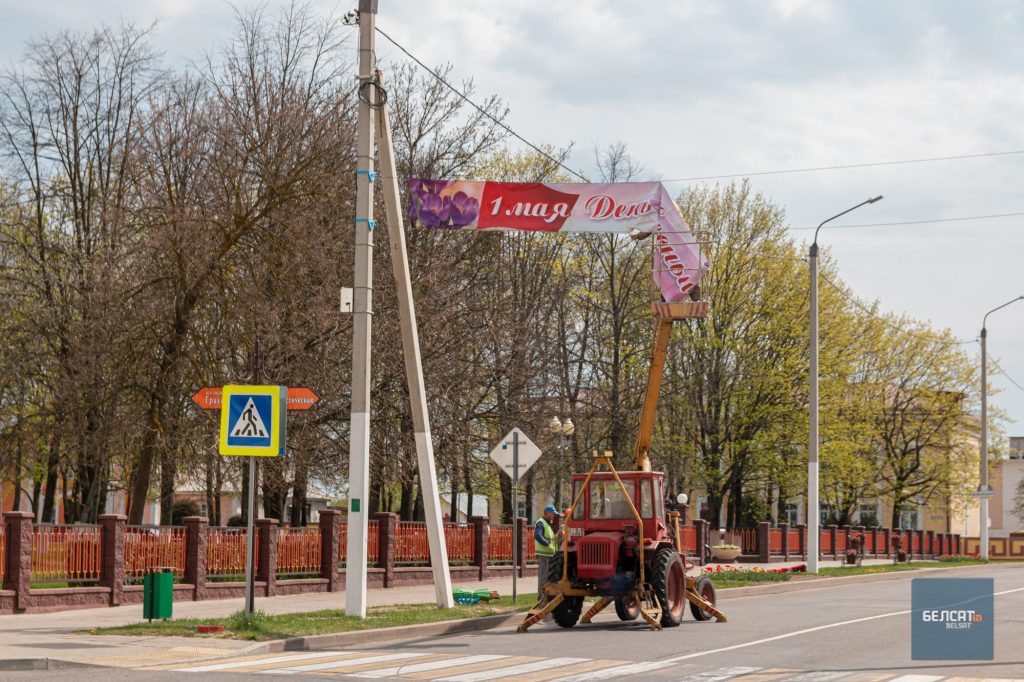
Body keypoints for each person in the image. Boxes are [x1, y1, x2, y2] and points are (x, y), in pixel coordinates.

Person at [534, 504, 560, 595]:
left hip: (549, 554)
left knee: (548, 578)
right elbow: (537, 535)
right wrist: (547, 544)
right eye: (553, 513)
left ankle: (546, 597)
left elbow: (551, 539)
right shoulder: (540, 522)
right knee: (543, 577)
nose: (554, 516)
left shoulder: (548, 524)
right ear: (548, 513)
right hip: (544, 554)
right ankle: (541, 597)